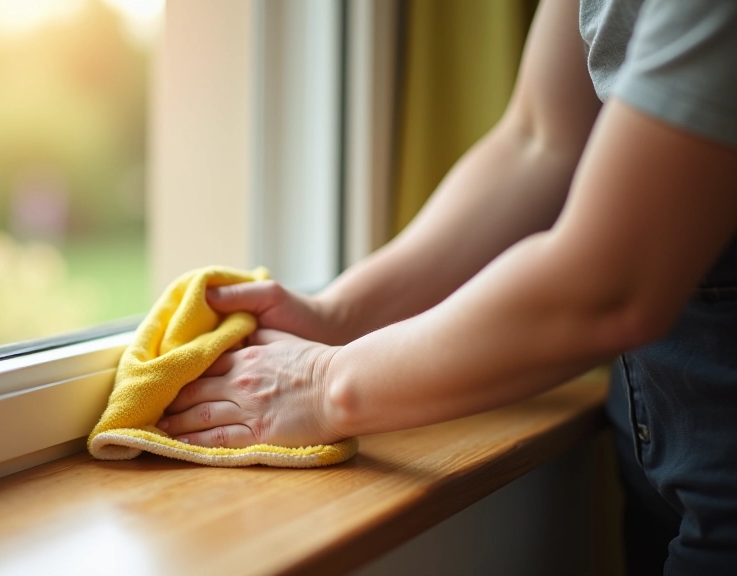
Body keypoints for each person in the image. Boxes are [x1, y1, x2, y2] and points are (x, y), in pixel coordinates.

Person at [154, 0, 737, 573]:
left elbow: (610, 286)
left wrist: (320, 382)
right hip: (657, 441)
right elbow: (541, 142)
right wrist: (337, 315)